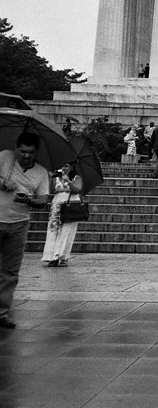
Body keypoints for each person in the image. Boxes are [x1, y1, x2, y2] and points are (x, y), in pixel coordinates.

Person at [0, 132, 51, 328]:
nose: (26, 156)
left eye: (30, 152)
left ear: (36, 152)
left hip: (19, 223)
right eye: (22, 151)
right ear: (16, 148)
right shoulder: (4, 157)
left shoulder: (40, 172)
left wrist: (29, 200)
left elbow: (43, 200)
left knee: (10, 271)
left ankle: (2, 312)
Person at [41, 165, 84, 267]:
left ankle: (62, 257)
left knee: (66, 231)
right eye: (63, 166)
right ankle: (51, 256)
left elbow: (77, 190)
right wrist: (50, 178)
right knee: (53, 230)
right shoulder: (57, 177)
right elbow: (51, 190)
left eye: (67, 166)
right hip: (57, 204)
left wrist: (68, 181)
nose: (64, 168)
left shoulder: (77, 177)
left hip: (71, 204)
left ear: (72, 167)